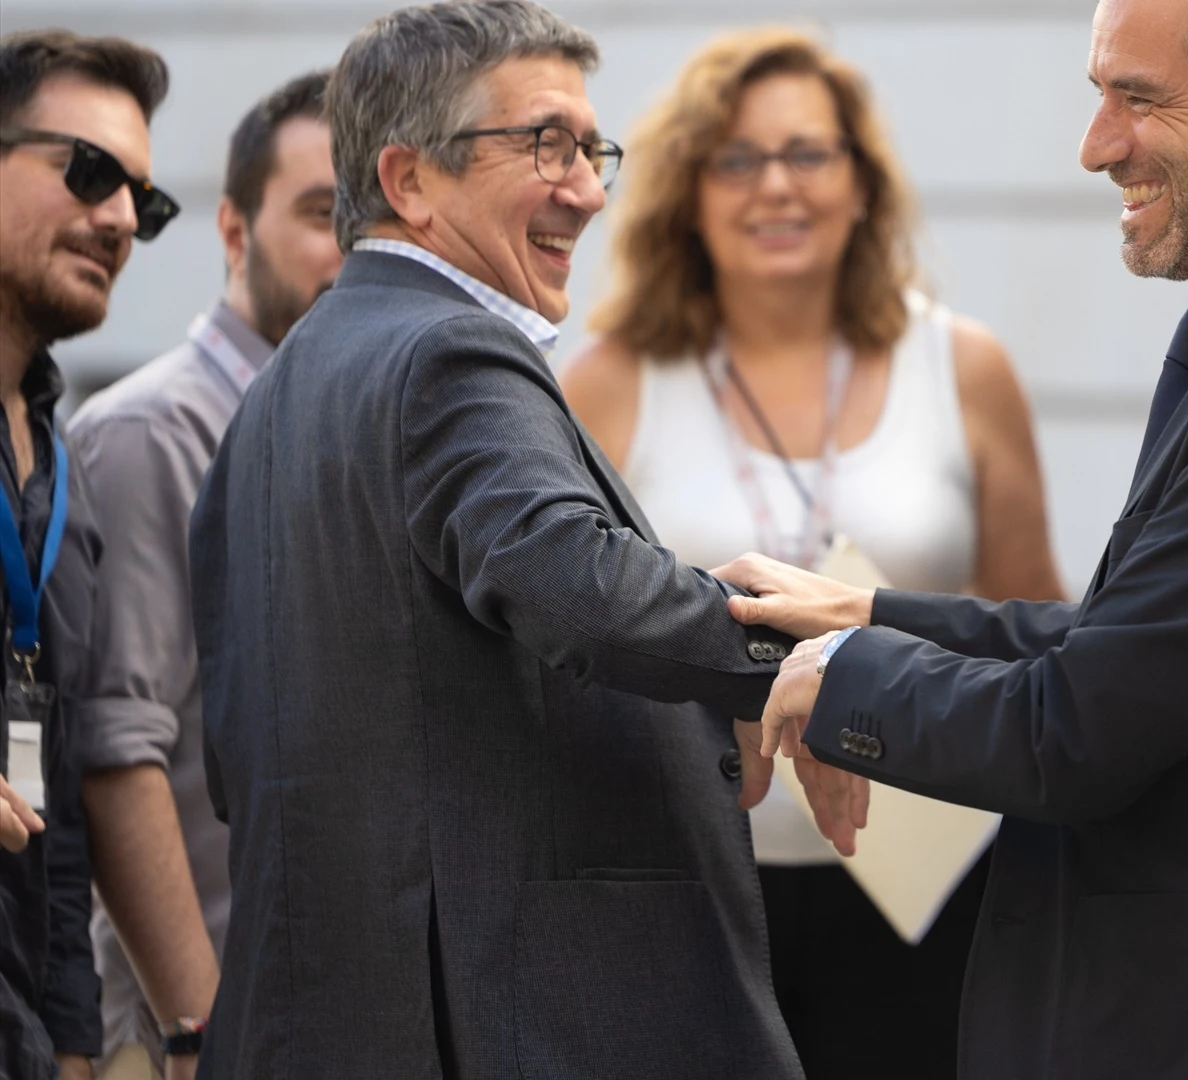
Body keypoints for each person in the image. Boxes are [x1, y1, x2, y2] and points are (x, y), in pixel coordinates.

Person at [716, 0, 1188, 1075]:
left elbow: (1077, 730)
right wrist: (866, 612)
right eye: (1100, 96)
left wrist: (842, 678)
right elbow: (1140, 645)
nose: (1097, 147)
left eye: (1140, 99)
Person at [188, 3, 865, 1077]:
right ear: (409, 180)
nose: (589, 189)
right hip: (504, 1026)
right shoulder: (446, 349)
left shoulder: (280, 392)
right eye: (547, 144)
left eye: (594, 150)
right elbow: (578, 587)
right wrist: (805, 664)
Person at [560, 29, 1065, 1078]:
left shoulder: (963, 367)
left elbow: (1034, 619)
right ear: (688, 194)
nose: (774, 187)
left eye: (808, 154)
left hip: (927, 886)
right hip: (689, 884)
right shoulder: (608, 382)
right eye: (736, 159)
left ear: (863, 183)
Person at [67, 70, 339, 1080]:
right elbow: (116, 753)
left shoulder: (345, 435)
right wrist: (197, 1031)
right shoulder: (150, 436)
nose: (354, 254)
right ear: (233, 231)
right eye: (322, 214)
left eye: (373, 218)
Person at [0, 27, 174, 1080]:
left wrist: (70, 1038)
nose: (118, 218)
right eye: (90, 171)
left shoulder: (60, 462)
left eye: (143, 203)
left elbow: (54, 788)